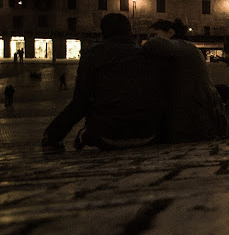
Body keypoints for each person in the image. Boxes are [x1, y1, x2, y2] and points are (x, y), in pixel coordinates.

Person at [42, 13, 165, 152]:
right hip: (147, 133)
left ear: (103, 32)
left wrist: (52, 135)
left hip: (108, 135)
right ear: (129, 31)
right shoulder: (145, 54)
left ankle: (83, 135)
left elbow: (80, 102)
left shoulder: (93, 54)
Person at [143, 19, 229, 142]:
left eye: (154, 35)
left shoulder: (186, 47)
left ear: (170, 32)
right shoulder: (176, 53)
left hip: (202, 122)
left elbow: (156, 44)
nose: (150, 39)